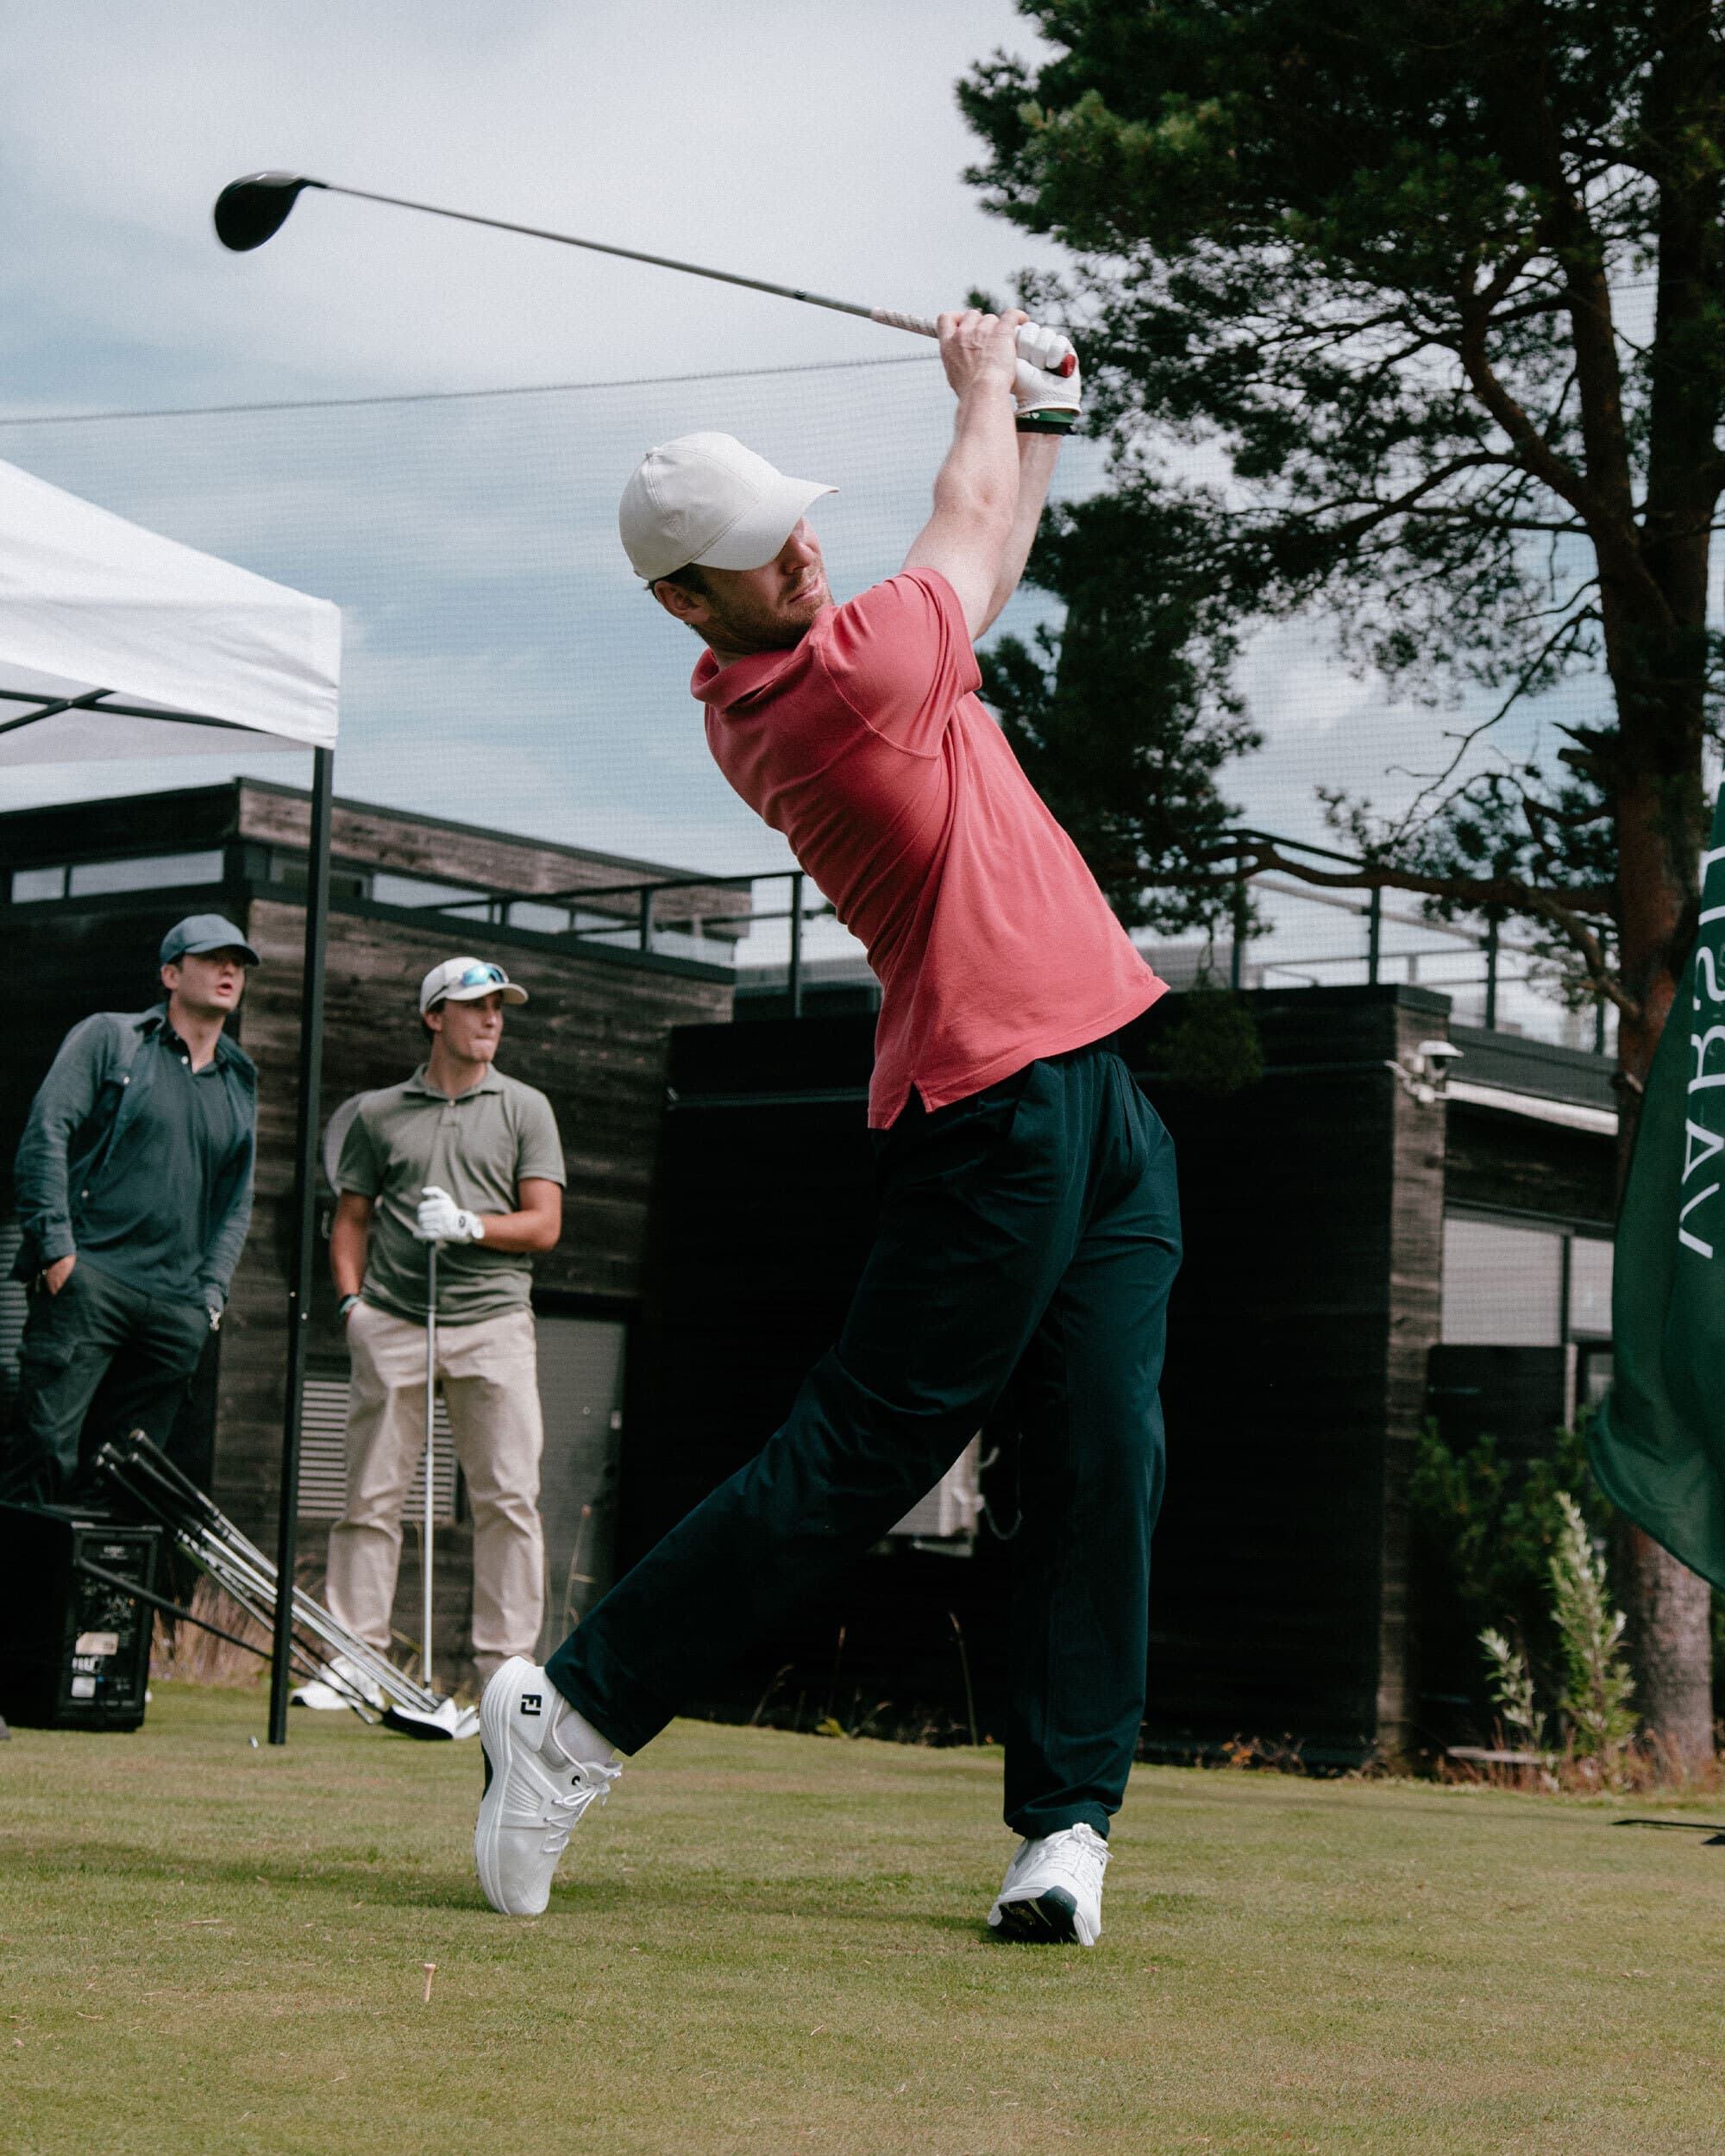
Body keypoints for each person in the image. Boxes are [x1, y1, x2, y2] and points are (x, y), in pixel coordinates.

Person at [474, 310, 1180, 1949]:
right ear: (684, 601)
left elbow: (995, 537)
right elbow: (968, 521)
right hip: (993, 1103)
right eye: (753, 550)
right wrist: (986, 384)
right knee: (867, 1449)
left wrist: (1044, 406)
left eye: (792, 519)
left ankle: (1065, 1829)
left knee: (1106, 1452)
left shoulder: (852, 651)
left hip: (1097, 1086)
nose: (797, 550)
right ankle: (573, 1717)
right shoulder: (843, 683)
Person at [326, 957, 564, 1687]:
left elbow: (545, 1224)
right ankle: (355, 1661)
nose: (493, 1018)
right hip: (395, 1319)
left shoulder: (526, 1107)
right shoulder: (378, 1112)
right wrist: (352, 1305)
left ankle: (506, 1675)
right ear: (435, 1017)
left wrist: (470, 1225)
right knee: (370, 1498)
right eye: (476, 1005)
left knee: (508, 1500)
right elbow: (350, 1217)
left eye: (499, 1007)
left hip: (494, 1323)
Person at [3, 914, 259, 1503]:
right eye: (212, 958)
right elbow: (46, 1134)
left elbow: (236, 1199)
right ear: (171, 974)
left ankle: (97, 1574)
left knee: (126, 1481)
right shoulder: (111, 1038)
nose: (229, 970)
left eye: (239, 963)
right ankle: (20, 1570)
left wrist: (209, 1297)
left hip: (175, 1307)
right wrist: (58, 1250)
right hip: (89, 1282)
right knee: (43, 1454)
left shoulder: (239, 1078)